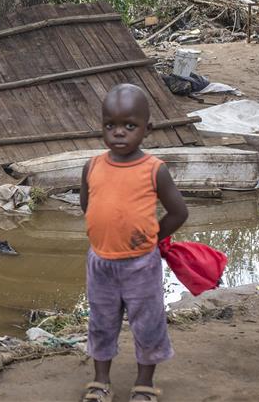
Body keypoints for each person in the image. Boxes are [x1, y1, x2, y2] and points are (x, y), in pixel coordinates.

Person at [78, 84, 188, 402]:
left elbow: (178, 212)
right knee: (101, 321)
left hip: (141, 264)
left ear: (147, 129)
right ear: (101, 127)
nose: (119, 133)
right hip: (100, 263)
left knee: (148, 323)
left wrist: (151, 238)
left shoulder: (155, 170)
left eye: (129, 126)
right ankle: (100, 382)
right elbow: (89, 206)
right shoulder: (93, 166)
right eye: (110, 125)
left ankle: (144, 384)